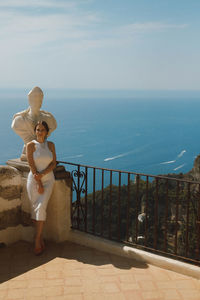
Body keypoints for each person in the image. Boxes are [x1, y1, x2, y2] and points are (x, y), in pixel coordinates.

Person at [26, 120, 56, 255]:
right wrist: (38, 183)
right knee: (35, 209)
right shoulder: (30, 145)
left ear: (47, 132)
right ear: (35, 131)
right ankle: (40, 237)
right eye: (38, 129)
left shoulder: (50, 145)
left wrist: (43, 174)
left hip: (48, 180)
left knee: (41, 207)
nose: (40, 132)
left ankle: (37, 239)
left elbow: (54, 163)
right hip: (34, 181)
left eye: (42, 129)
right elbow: (31, 165)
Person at [11, 86, 57, 160]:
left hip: (43, 151)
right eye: (35, 97)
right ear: (29, 99)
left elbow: (54, 126)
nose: (38, 100)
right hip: (29, 151)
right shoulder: (19, 120)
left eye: (40, 98)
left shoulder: (49, 118)